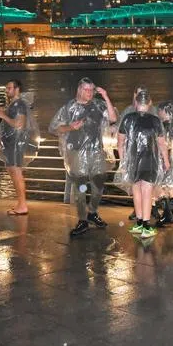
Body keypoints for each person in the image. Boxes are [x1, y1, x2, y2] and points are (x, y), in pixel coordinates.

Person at [49, 78, 117, 238]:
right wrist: (70, 127)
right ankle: (82, 220)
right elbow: (53, 128)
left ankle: (92, 211)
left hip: (96, 152)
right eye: (86, 90)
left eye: (92, 90)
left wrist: (106, 96)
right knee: (80, 187)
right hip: (76, 152)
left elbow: (113, 118)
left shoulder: (98, 105)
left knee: (99, 183)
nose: (90, 93)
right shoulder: (69, 107)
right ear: (79, 90)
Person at [117, 87, 169, 239]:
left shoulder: (127, 119)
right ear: (150, 103)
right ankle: (146, 225)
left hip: (132, 160)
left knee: (136, 191)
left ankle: (139, 222)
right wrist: (166, 161)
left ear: (136, 102)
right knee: (147, 191)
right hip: (149, 160)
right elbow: (161, 144)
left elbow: (120, 142)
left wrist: (123, 160)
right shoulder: (155, 121)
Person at [0, 79, 34, 216]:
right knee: (13, 172)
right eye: (6, 88)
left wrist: (2, 115)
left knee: (17, 173)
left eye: (9, 88)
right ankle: (20, 203)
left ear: (17, 89)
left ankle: (22, 205)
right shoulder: (14, 104)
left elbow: (19, 124)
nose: (7, 91)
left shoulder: (19, 105)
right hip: (11, 144)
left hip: (15, 144)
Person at [153, 101, 173, 227]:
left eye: (159, 111)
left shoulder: (164, 127)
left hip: (165, 163)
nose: (158, 113)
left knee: (162, 189)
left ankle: (166, 215)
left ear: (165, 112)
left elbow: (164, 146)